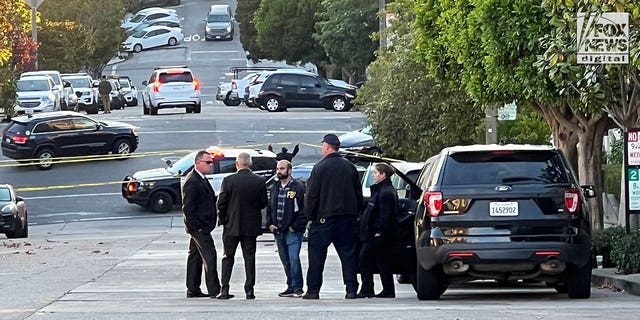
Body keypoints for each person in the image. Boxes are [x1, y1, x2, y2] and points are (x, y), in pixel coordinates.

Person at [303, 134, 364, 300]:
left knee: (316, 256)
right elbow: (358, 193)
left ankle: (313, 290)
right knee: (348, 255)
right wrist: (356, 213)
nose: (322, 148)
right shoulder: (350, 167)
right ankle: (351, 289)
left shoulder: (320, 167)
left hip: (324, 219)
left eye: (323, 145)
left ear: (328, 146)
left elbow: (312, 195)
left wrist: (310, 216)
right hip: (347, 218)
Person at [216, 152, 268, 300]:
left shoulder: (228, 180)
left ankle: (224, 289)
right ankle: (249, 290)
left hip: (231, 225)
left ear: (237, 164)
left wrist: (223, 219)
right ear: (250, 164)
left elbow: (221, 203)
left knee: (227, 258)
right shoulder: (259, 181)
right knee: (249, 258)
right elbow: (263, 202)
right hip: (250, 226)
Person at [182, 150, 221, 298]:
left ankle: (192, 288)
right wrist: (196, 226)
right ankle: (215, 290)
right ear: (198, 163)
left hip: (202, 225)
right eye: (208, 162)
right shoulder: (192, 180)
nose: (211, 165)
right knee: (210, 255)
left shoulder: (201, 178)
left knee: (195, 256)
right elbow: (188, 207)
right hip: (199, 227)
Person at [266, 160, 307, 298]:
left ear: (289, 171)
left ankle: (298, 287)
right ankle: (290, 286)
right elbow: (270, 207)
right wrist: (269, 224)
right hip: (278, 230)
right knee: (285, 260)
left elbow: (304, 210)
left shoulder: (298, 187)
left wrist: (294, 226)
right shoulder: (274, 187)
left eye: (282, 168)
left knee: (294, 258)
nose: (279, 171)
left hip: (293, 231)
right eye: (277, 168)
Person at [356, 163, 398, 298]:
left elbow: (385, 215)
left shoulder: (386, 192)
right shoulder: (381, 190)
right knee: (382, 261)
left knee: (364, 258)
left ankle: (368, 288)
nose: (373, 175)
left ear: (383, 174)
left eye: (375, 173)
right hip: (377, 233)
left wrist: (378, 231)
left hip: (379, 234)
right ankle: (388, 289)